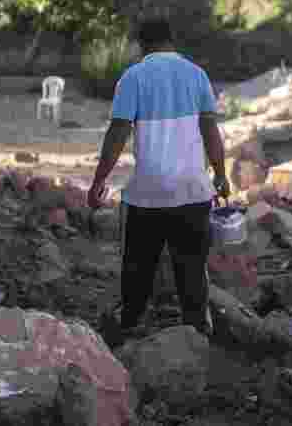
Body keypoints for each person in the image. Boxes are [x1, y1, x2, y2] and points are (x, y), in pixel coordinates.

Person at [87, 17, 230, 344]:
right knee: (192, 268)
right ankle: (197, 330)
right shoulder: (197, 75)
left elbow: (117, 134)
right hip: (193, 192)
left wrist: (98, 181)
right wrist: (221, 175)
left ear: (141, 44)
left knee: (137, 266)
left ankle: (129, 323)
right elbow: (211, 132)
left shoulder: (133, 77)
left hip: (146, 196)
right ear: (171, 40)